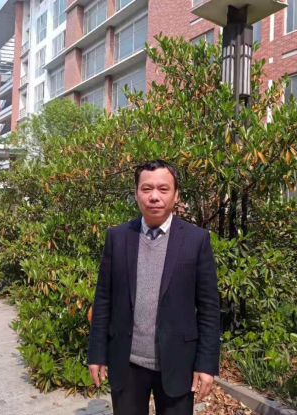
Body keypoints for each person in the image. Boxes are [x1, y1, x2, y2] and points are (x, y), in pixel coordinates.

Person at [87, 160, 220, 415]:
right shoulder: (118, 237)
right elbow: (103, 299)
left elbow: (209, 309)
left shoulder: (196, 240)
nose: (154, 197)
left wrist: (206, 364)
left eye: (163, 189)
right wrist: (96, 354)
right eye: (146, 189)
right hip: (127, 362)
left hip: (178, 361)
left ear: (176, 194)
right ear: (136, 193)